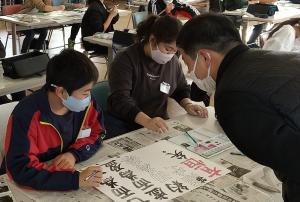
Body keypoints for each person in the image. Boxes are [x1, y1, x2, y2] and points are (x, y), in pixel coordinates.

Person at [177, 13, 300, 201]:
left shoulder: (232, 95)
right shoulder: (266, 57)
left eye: (187, 63)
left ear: (204, 57)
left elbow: (292, 165)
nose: (190, 72)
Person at [3, 49, 104, 190]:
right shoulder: (26, 114)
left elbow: (97, 133)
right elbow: (20, 169)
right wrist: (75, 180)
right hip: (28, 183)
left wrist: (73, 154)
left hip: (60, 170)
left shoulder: (85, 104)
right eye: (85, 92)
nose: (89, 97)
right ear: (61, 92)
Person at [107, 15, 208, 138]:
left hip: (158, 125)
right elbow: (120, 100)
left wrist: (188, 104)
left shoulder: (172, 62)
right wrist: (147, 121)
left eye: (175, 51)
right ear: (153, 40)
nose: (171, 55)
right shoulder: (126, 60)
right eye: (167, 49)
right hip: (127, 126)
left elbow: (180, 89)